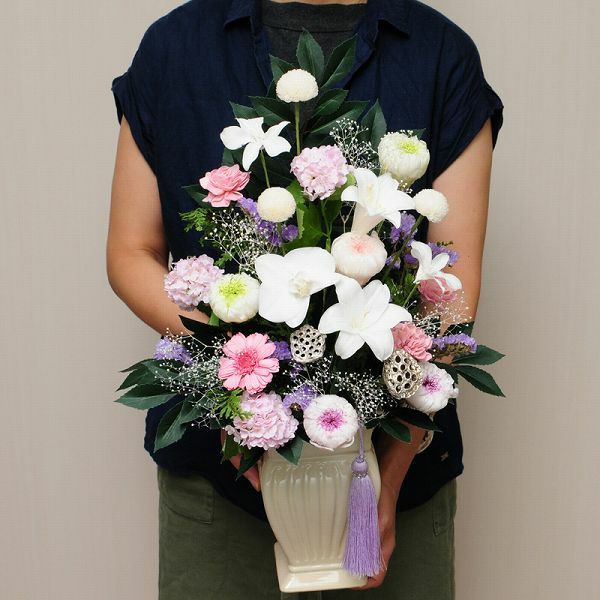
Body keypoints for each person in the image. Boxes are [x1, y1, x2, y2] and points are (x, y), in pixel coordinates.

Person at [107, 0, 503, 598]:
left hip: (397, 483)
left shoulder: (441, 54)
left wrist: (386, 478)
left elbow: (451, 287)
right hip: (219, 489)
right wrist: (239, 387)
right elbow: (130, 252)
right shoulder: (174, 47)